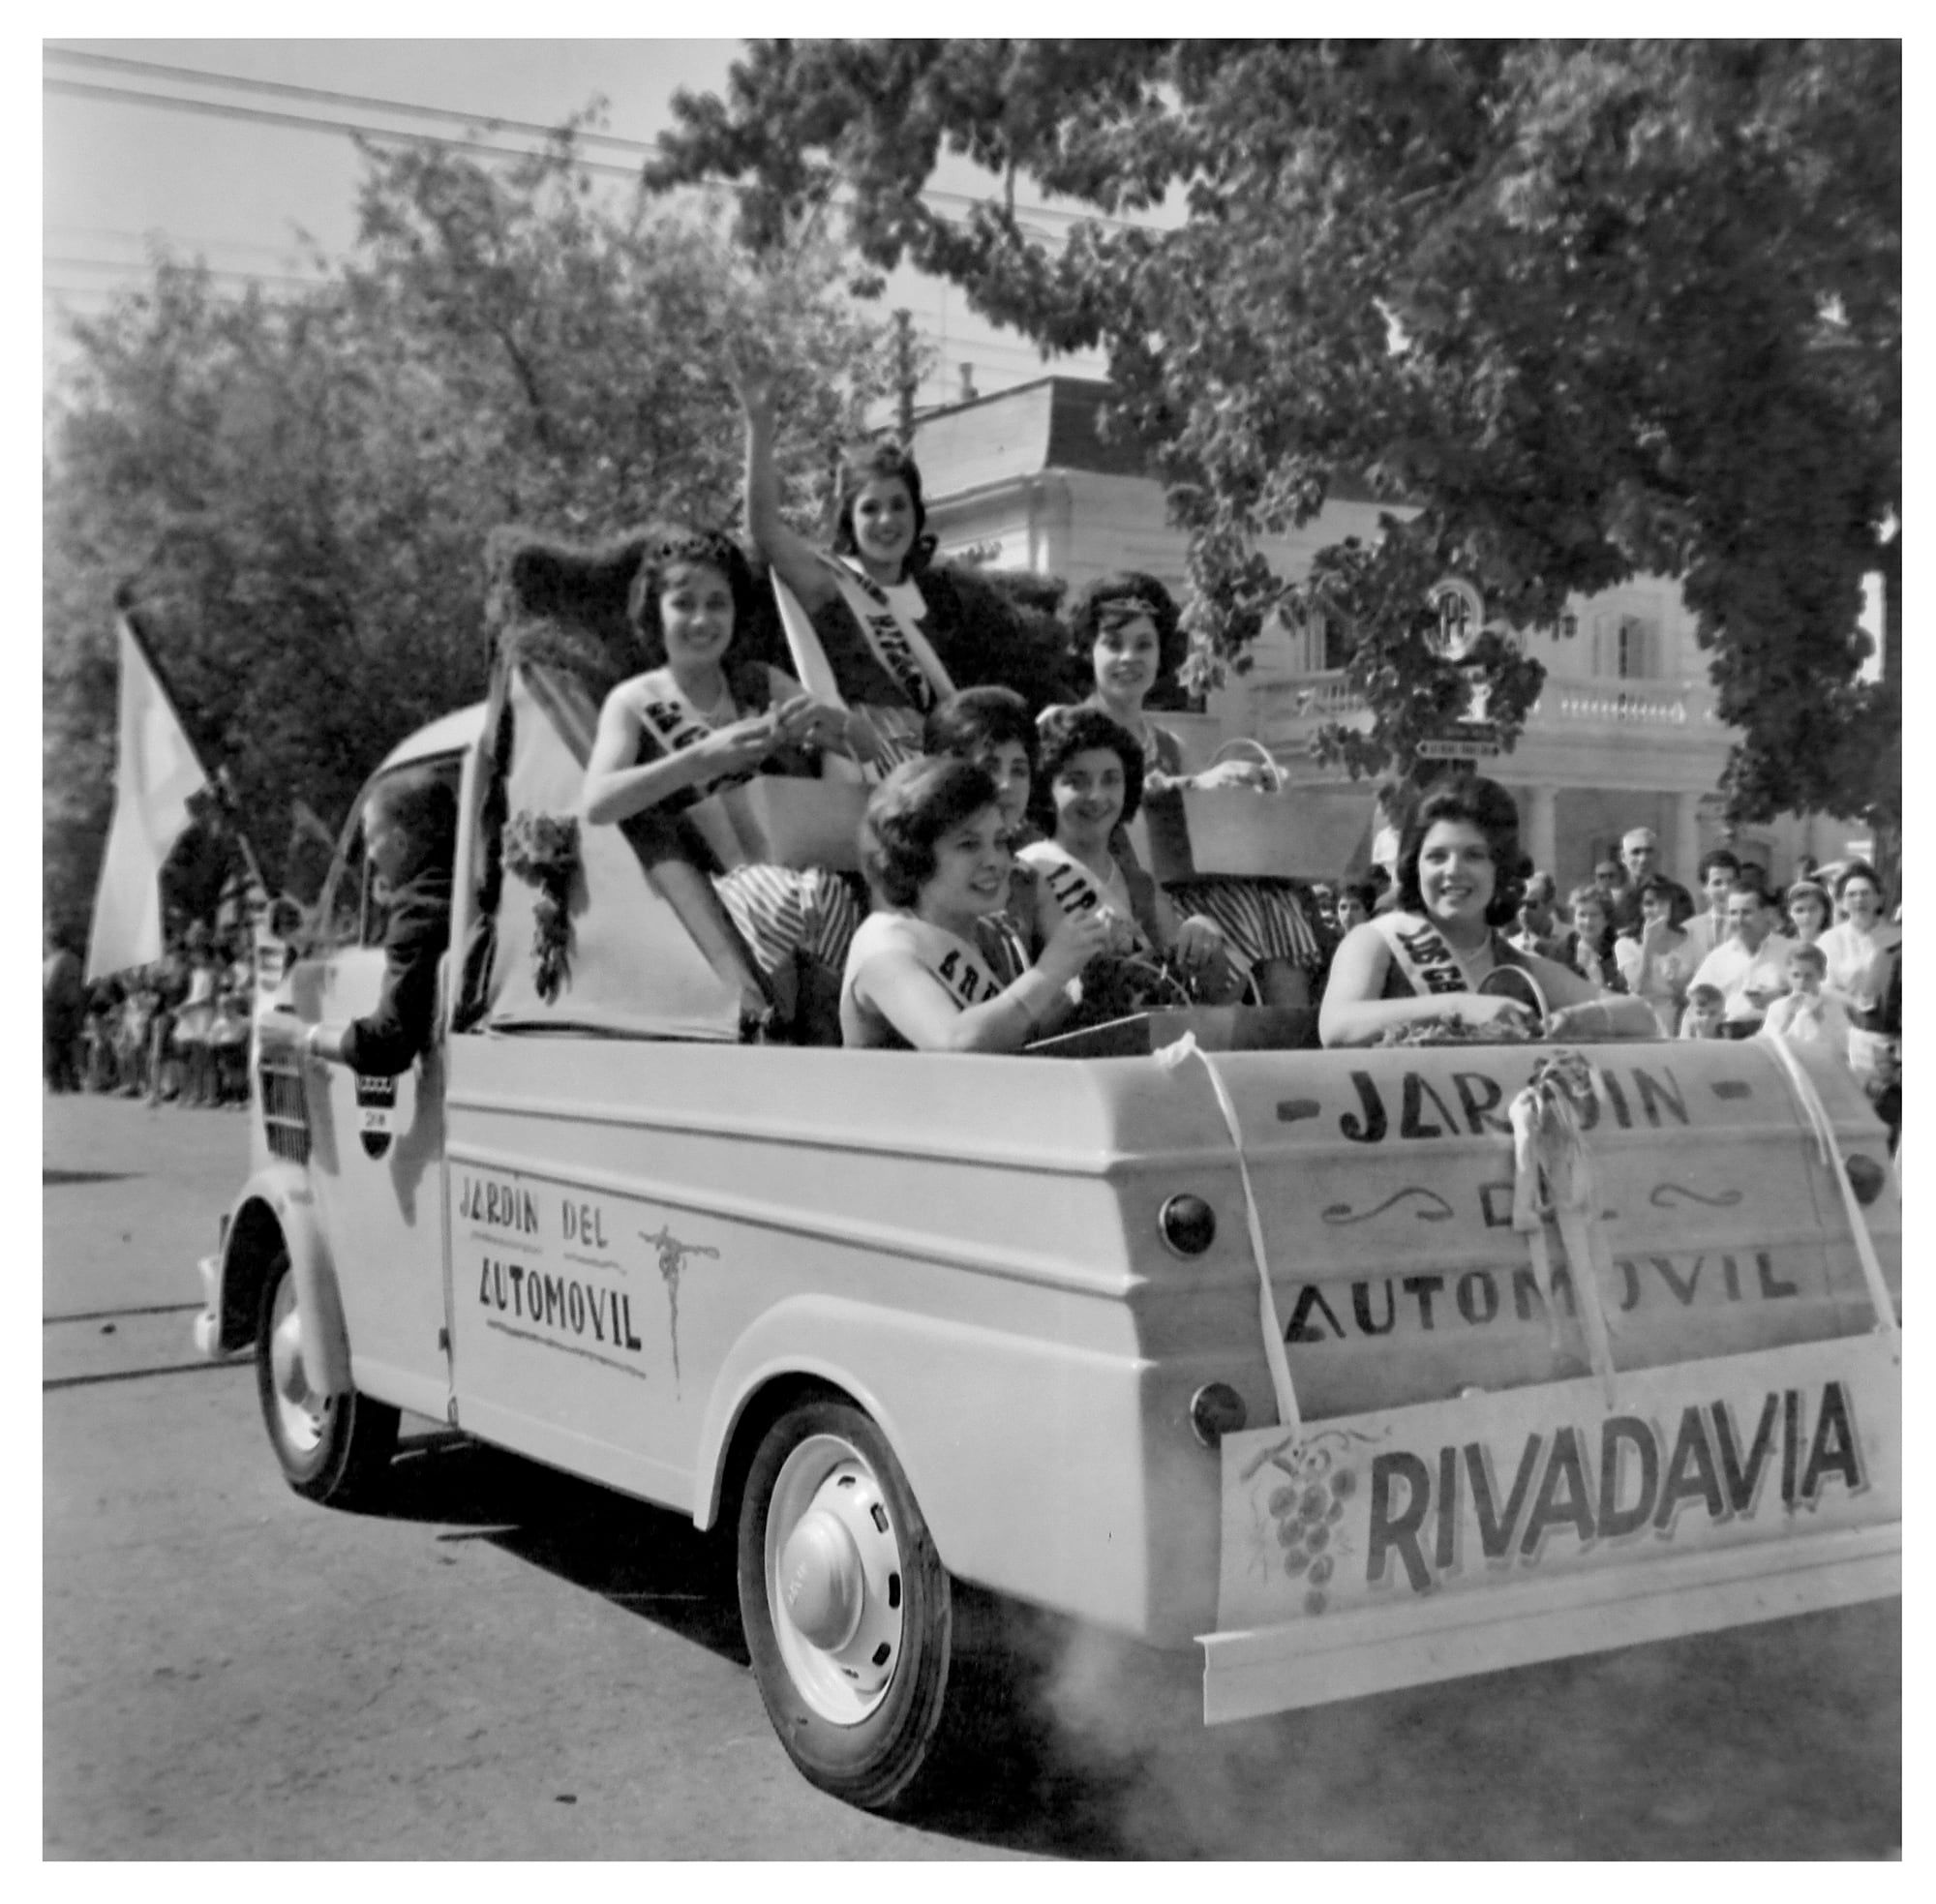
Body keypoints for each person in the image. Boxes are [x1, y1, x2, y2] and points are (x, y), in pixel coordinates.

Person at [580, 527, 863, 1035]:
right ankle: (777, 1027)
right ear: (655, 611)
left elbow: (860, 745)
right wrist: (700, 758)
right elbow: (598, 802)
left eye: (717, 604)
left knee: (825, 895)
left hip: (799, 870)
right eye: (683, 604)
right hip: (707, 887)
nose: (702, 620)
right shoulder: (635, 701)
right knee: (779, 901)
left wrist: (823, 724)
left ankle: (831, 1030)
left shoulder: (760, 681)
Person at [1044, 572, 1326, 1007]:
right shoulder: (1063, 724)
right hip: (1105, 887)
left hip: (1175, 887)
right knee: (1239, 905)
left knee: (1274, 897)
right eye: (1113, 644)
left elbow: (1209, 836)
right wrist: (1195, 782)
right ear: (1089, 649)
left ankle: (1283, 1035)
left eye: (1143, 645)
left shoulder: (1170, 746)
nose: (1128, 658)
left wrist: (1255, 789)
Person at [735, 364, 971, 770]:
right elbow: (765, 529)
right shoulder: (830, 585)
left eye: (898, 505)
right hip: (860, 759)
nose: (886, 521)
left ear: (917, 512)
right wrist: (760, 423)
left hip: (931, 764)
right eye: (870, 509)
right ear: (850, 520)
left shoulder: (939, 598)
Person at [1319, 777, 1657, 1046]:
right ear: (1414, 867)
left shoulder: (1519, 967)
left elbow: (1640, 1015)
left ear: (1500, 868)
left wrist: (1576, 1020)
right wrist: (1458, 1007)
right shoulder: (1377, 942)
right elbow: (1337, 1025)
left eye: (1474, 856)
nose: (1453, 871)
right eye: (1437, 857)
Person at [841, 757, 1109, 1050]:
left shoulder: (994, 938)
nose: (995, 860)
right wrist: (1049, 972)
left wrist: (1088, 979)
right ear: (913, 857)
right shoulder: (884, 946)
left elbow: (1016, 1035)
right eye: (968, 845)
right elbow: (953, 1044)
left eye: (999, 841)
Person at [1019, 707, 1240, 1003]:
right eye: (1077, 781)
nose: (1096, 796)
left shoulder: (1140, 887)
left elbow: (1201, 989)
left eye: (1111, 779)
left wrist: (1202, 934)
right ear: (1047, 788)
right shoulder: (1026, 875)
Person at [304, 768, 457, 1076]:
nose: (369, 858)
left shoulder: (418, 909)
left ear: (400, 843)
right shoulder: (464, 883)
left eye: (371, 840)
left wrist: (301, 1036)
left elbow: (388, 1043)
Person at [923, 686, 1044, 982]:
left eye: (1019, 770)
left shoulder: (1029, 876)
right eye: (990, 767)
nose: (1006, 785)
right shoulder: (921, 871)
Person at [1687, 879, 1796, 1034]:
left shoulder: (1792, 951)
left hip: (1777, 1037)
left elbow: (1814, 994)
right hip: (1728, 1039)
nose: (1738, 920)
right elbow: (1694, 1004)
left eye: (1746, 912)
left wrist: (1781, 995)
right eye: (1733, 913)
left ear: (1767, 913)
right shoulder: (1717, 958)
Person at [1616, 874, 1695, 1037]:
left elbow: (1694, 992)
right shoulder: (1625, 944)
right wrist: (1648, 947)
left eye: (1663, 902)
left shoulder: (1689, 940)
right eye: (1649, 903)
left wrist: (1677, 987)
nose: (1657, 909)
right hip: (1639, 1018)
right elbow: (1638, 987)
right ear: (1639, 907)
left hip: (1677, 1020)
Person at [1819, 861, 1899, 1022]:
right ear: (1841, 903)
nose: (1859, 899)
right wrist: (1856, 1004)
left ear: (1879, 899)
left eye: (1865, 893)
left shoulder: (1899, 936)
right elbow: (1823, 986)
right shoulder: (1830, 940)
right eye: (1851, 894)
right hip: (1841, 1022)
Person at [1759, 944, 1853, 1056]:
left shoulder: (1833, 1005)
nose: (1802, 982)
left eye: (1808, 976)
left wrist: (1820, 1020)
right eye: (1796, 975)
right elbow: (1768, 1047)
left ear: (1822, 975)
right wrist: (1787, 1019)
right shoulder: (1777, 1007)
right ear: (1788, 975)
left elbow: (1845, 1047)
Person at [43, 928, 85, 1094]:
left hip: (55, 1005)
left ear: (52, 942)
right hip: (73, 1006)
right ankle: (72, 1080)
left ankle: (56, 1081)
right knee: (68, 1043)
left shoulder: (55, 961)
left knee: (53, 1043)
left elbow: (51, 986)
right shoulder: (74, 960)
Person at [1682, 847, 1742, 961]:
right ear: (1704, 888)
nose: (1725, 889)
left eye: (1731, 882)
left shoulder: (1753, 927)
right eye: (1717, 883)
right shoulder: (1689, 930)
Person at [1564, 882, 1624, 991]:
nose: (1587, 922)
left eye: (1594, 915)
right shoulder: (1561, 953)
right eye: (1582, 915)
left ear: (1606, 919)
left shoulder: (1620, 950)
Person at [1508, 870, 1569, 963]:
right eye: (1520, 904)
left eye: (1531, 905)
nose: (1523, 911)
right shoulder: (1508, 945)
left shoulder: (1570, 939)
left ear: (1549, 905)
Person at [1610, 828, 1661, 935]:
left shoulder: (1675, 894)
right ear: (1623, 857)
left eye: (1649, 851)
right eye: (1636, 852)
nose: (1643, 859)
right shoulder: (1607, 896)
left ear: (1657, 855)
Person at [1785, 879, 1833, 951]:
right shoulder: (1782, 947)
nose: (1807, 916)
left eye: (1813, 909)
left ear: (1825, 910)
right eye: (1799, 910)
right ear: (1790, 913)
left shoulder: (1835, 944)